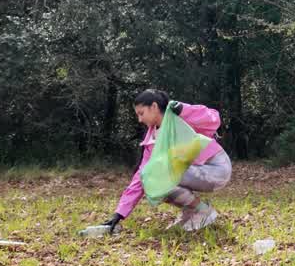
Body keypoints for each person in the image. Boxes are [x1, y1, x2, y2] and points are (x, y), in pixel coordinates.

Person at [99, 89, 232, 233]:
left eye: (141, 113)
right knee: (150, 179)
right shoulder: (151, 141)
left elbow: (214, 119)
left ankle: (202, 213)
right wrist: (119, 214)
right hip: (193, 172)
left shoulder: (179, 116)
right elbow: (142, 176)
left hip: (216, 168)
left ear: (154, 107)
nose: (139, 119)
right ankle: (196, 211)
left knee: (160, 173)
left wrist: (184, 110)